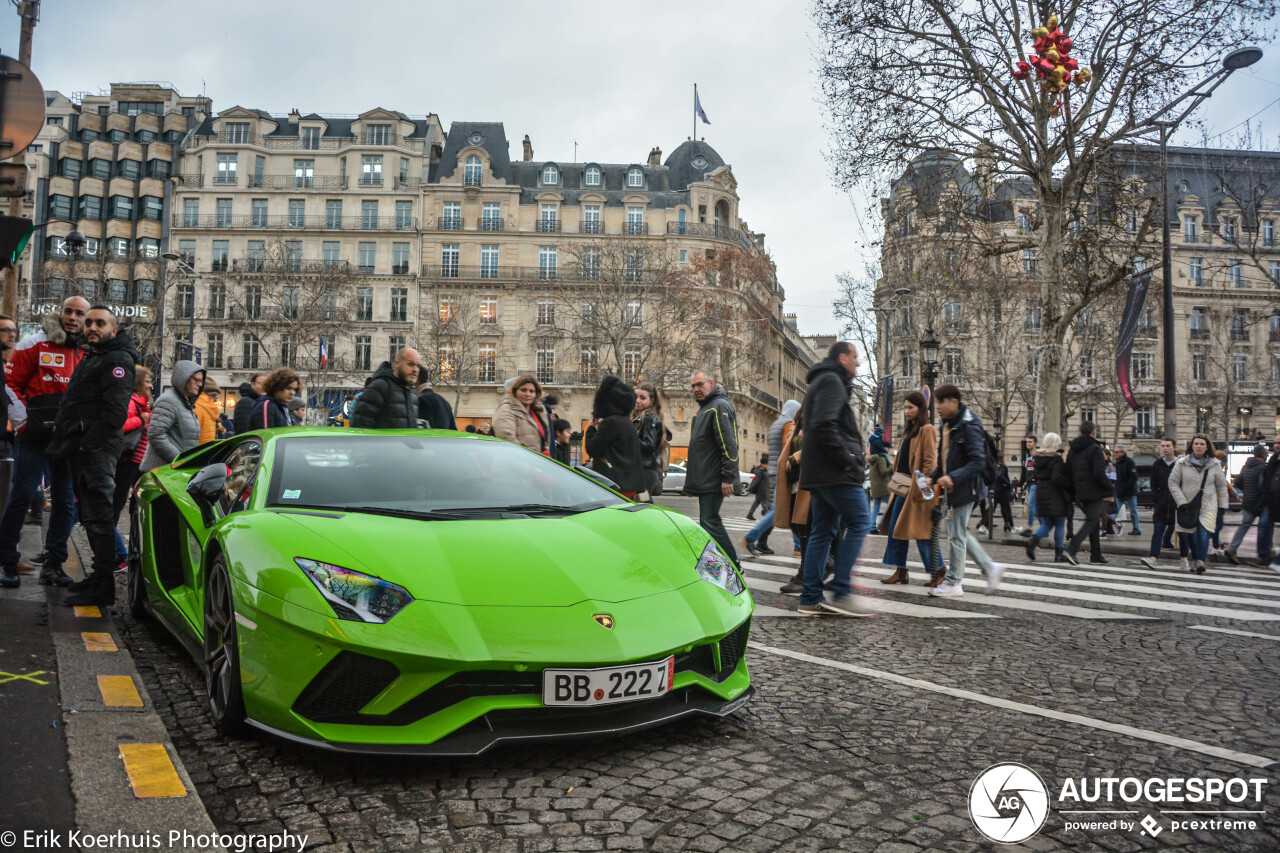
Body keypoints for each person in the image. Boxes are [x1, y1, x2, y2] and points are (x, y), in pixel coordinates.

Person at [44, 308, 137, 606]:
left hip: (95, 451)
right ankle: (98, 578)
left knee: (99, 517)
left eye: (100, 323)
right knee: (89, 516)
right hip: (81, 449)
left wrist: (88, 444)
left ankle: (103, 585)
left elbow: (115, 412)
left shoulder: (117, 359)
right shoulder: (96, 355)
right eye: (89, 323)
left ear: (114, 327)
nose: (92, 328)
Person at [0, 297, 88, 589]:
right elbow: (9, 383)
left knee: (64, 502)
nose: (72, 317)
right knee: (22, 496)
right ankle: (7, 562)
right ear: (60, 313)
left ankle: (53, 564)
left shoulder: (88, 352)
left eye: (79, 313)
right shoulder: (32, 343)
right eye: (68, 311)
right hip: (34, 438)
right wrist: (24, 421)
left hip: (67, 440)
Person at [796, 342, 871, 616]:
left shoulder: (824, 380)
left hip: (819, 471)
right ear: (842, 358)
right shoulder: (831, 381)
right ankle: (841, 590)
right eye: (855, 357)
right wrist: (848, 462)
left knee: (822, 532)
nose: (858, 363)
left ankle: (811, 597)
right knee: (861, 520)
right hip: (834, 471)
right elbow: (825, 425)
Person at [927, 384, 1003, 597]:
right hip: (956, 486)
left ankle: (954, 582)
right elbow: (946, 459)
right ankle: (990, 568)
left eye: (941, 402)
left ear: (954, 402)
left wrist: (951, 477)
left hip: (965, 487)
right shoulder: (950, 424)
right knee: (958, 532)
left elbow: (977, 462)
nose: (938, 407)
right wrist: (932, 478)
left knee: (956, 535)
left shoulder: (968, 425)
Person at [878, 391, 938, 585]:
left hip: (916, 489)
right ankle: (900, 570)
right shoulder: (909, 430)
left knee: (921, 533)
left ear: (921, 409)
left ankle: (939, 571)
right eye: (905, 407)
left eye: (910, 407)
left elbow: (930, 461)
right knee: (896, 529)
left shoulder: (926, 429)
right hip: (902, 487)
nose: (906, 411)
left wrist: (924, 484)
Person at [740, 400, 801, 559]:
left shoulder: (776, 424)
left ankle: (795, 546)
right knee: (778, 511)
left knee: (787, 508)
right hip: (782, 473)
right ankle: (750, 538)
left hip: (773, 471)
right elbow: (788, 447)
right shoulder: (788, 425)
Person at [1169, 435, 1228, 574]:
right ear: (1192, 446)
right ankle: (1196, 559)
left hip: (1208, 504)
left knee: (1203, 532)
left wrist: (1223, 506)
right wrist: (1181, 501)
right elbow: (1173, 482)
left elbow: (1221, 486)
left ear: (1207, 446)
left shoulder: (1215, 464)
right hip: (1187, 505)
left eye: (1202, 444)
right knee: (1190, 534)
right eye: (1196, 444)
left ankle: (1200, 561)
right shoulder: (1182, 463)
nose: (1199, 446)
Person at [112, 366, 153, 572]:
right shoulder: (132, 402)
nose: (151, 385)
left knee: (119, 506)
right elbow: (120, 425)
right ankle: (119, 555)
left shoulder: (142, 402)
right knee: (114, 508)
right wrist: (141, 419)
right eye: (147, 381)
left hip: (135, 461)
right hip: (127, 460)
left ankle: (118, 554)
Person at [584, 375, 645, 498]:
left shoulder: (610, 422)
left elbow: (593, 449)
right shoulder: (626, 422)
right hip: (628, 484)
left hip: (614, 484)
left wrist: (591, 428)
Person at [140, 361, 204, 472]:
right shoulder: (168, 401)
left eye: (201, 381)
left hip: (172, 471)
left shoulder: (185, 404)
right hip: (161, 472)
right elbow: (156, 435)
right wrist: (179, 461)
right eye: (196, 380)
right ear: (184, 379)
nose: (200, 384)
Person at [1063, 421, 1111, 566]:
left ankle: (1096, 555)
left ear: (1080, 432)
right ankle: (1072, 549)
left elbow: (1068, 470)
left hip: (1078, 489)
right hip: (1093, 490)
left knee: (1094, 521)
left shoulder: (1073, 449)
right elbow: (1098, 472)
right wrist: (1109, 487)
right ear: (1094, 432)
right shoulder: (1095, 448)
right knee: (1092, 521)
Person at [1024, 432, 1072, 563]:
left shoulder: (1038, 458)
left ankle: (1032, 542)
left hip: (1042, 492)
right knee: (1060, 524)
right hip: (1056, 493)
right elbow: (1057, 477)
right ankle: (1059, 553)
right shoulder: (1056, 459)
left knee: (1047, 523)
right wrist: (1068, 483)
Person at [353, 348, 420, 429]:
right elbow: (361, 424)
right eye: (410, 364)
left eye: (418, 366)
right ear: (397, 363)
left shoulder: (412, 390)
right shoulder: (380, 386)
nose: (415, 370)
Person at [1226, 444, 1269, 564]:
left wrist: (1247, 490)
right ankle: (1266, 552)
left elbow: (1238, 482)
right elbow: (1262, 486)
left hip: (1247, 501)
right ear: (1264, 455)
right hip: (1259, 503)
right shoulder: (1263, 467)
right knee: (1265, 527)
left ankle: (1232, 548)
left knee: (1244, 526)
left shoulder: (1246, 466)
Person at [1140, 438, 1180, 569]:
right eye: (1163, 446)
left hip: (1177, 504)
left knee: (1184, 534)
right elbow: (1154, 483)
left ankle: (1186, 558)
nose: (1165, 448)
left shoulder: (1180, 464)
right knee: (1157, 531)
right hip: (1161, 505)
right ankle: (1153, 557)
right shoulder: (1157, 464)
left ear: (1173, 447)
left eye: (1168, 446)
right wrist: (1157, 497)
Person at [493, 374, 553, 454]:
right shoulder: (506, 409)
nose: (527, 394)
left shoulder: (539, 411)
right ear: (515, 391)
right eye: (523, 390)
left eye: (531, 391)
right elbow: (508, 439)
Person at [632, 383, 665, 498]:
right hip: (645, 472)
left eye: (642, 398)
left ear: (652, 400)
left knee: (640, 506)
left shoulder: (649, 418)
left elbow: (649, 445)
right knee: (641, 505)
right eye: (635, 396)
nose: (637, 400)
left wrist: (629, 438)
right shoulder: (643, 417)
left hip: (645, 473)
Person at [1253, 435, 1280, 569]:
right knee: (1264, 526)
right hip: (1270, 499)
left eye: (1279, 443)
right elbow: (1267, 478)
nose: (1277, 445)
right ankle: (1263, 555)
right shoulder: (1273, 459)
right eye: (1275, 443)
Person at [867, 430, 892, 529]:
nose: (888, 450)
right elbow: (883, 471)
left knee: (876, 508)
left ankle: (872, 526)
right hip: (883, 487)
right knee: (891, 505)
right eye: (888, 448)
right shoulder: (881, 458)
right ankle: (881, 524)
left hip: (876, 487)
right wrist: (892, 467)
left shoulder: (873, 458)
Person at [1113, 447, 1141, 535]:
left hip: (1130, 492)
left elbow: (1133, 477)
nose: (1115, 454)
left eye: (1117, 452)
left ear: (1123, 453)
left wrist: (1125, 488)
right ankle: (1107, 527)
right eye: (1115, 452)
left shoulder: (1130, 462)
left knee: (1133, 511)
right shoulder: (1116, 464)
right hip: (1120, 492)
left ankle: (1137, 528)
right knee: (1114, 510)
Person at [1016, 435, 1037, 532]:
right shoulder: (1026, 456)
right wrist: (1020, 485)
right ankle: (1044, 527)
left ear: (1035, 443)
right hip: (1028, 484)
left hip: (1036, 483)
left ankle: (1029, 527)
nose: (1028, 444)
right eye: (1027, 442)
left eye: (1030, 442)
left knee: (1030, 504)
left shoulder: (1038, 455)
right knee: (1036, 507)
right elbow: (1023, 472)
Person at [194, 376, 223, 444]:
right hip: (200, 451)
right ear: (203, 393)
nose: (216, 399)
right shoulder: (199, 407)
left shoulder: (204, 408)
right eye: (213, 395)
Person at [745, 454, 770, 521]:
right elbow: (755, 481)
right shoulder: (760, 471)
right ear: (762, 464)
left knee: (756, 503)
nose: (767, 465)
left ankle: (749, 515)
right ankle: (768, 519)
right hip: (762, 491)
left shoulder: (765, 470)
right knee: (765, 505)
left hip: (764, 490)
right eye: (766, 464)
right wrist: (750, 489)